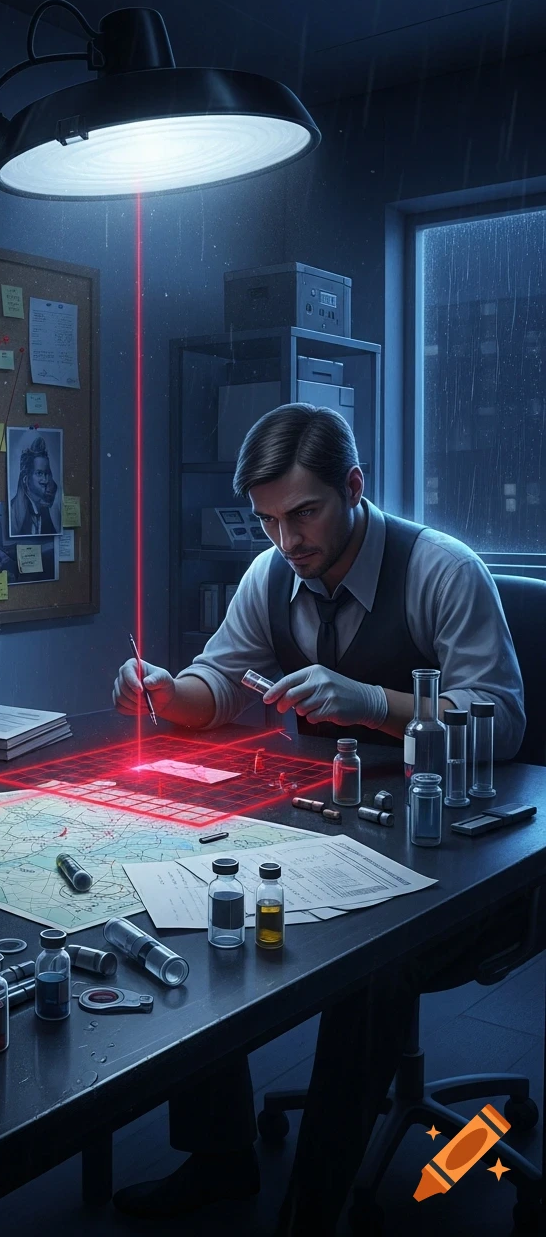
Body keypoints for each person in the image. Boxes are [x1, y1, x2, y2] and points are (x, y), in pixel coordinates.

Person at [111, 403, 532, 1235]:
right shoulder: (270, 577)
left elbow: (503, 719)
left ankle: (312, 1213)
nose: (287, 540)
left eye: (304, 513)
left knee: (370, 958)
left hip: (456, 838)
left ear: (355, 487)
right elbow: (220, 687)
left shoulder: (443, 570)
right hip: (335, 816)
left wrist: (373, 703)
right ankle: (221, 1158)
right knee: (202, 902)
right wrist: (167, 692)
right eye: (269, 520)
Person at [9, 435, 60, 535]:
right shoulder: (12, 512)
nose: (45, 480)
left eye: (47, 473)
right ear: (25, 478)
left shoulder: (50, 510)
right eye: (39, 473)